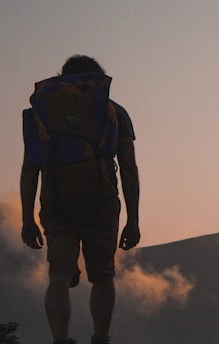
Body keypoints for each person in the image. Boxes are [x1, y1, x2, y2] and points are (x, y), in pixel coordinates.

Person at [20, 55, 140, 344]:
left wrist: (27, 218)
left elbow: (30, 167)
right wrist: (133, 220)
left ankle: (61, 340)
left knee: (59, 275)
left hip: (56, 199)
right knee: (102, 276)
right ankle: (100, 338)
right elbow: (128, 168)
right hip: (100, 200)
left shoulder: (45, 111)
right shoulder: (114, 112)